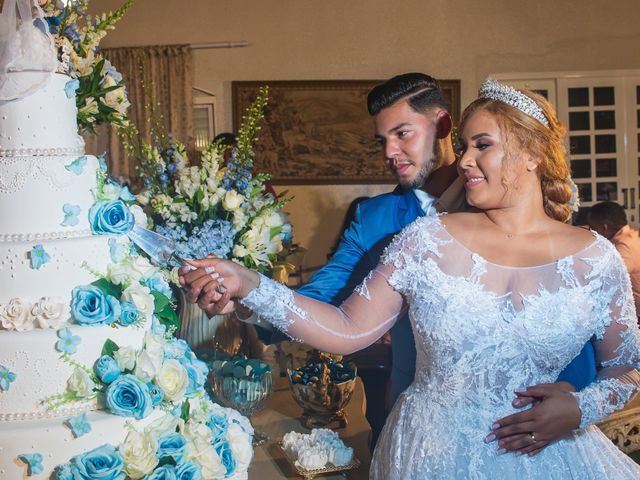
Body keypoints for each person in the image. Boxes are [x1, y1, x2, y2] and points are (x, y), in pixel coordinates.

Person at [182, 79, 640, 478]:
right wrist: (250, 285)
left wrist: (582, 407)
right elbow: (346, 329)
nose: (463, 161)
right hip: (430, 452)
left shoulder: (596, 258)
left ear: (533, 154)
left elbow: (627, 368)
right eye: (462, 147)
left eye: (482, 145)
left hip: (546, 455)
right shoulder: (425, 240)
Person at [588, 201, 640, 316]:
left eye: (593, 227)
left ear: (604, 228)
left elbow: (608, 280)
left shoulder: (624, 247)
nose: (591, 232)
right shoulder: (631, 236)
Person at [213, 132, 278, 198]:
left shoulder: (259, 184)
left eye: (231, 156)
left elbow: (275, 206)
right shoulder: (210, 186)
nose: (227, 162)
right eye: (222, 157)